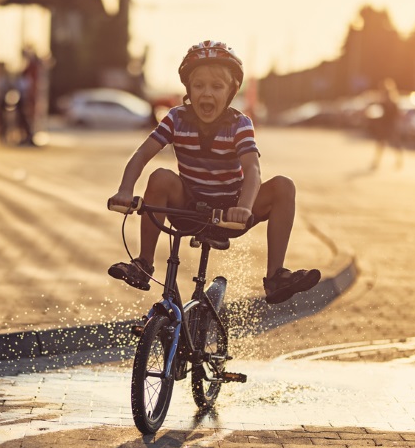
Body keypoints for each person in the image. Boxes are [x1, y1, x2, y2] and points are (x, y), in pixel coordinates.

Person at [107, 40, 321, 305]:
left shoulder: (239, 124)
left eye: (217, 87)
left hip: (231, 213)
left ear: (231, 91)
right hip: (187, 208)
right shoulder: (176, 118)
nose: (206, 93)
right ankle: (144, 265)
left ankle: (275, 276)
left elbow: (252, 168)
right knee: (160, 177)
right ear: (188, 89)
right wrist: (125, 191)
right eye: (198, 86)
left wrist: (243, 207)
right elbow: (141, 155)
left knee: (284, 186)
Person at [370, 77, 403, 169]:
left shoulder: (391, 102)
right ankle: (377, 162)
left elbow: (396, 114)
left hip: (390, 125)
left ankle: (398, 161)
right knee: (382, 144)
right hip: (386, 125)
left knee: (392, 144)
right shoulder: (385, 102)